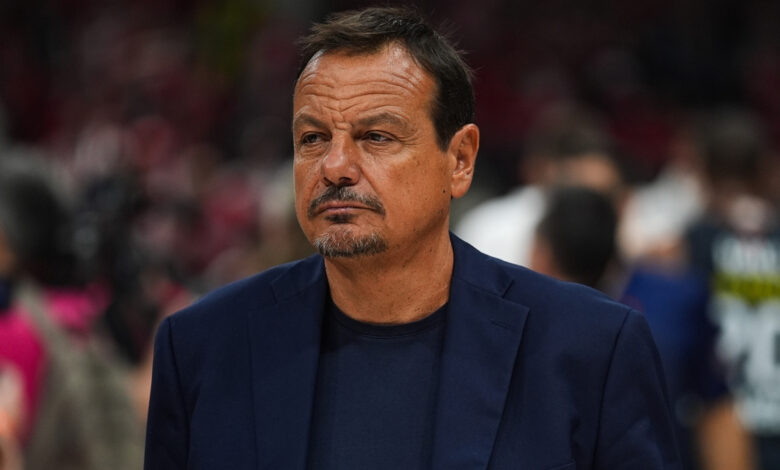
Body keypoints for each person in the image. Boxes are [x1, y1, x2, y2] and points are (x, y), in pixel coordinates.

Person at [144, 7, 680, 469]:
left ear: (460, 160)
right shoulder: (200, 347)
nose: (335, 166)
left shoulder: (591, 348)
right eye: (312, 138)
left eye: (376, 136)